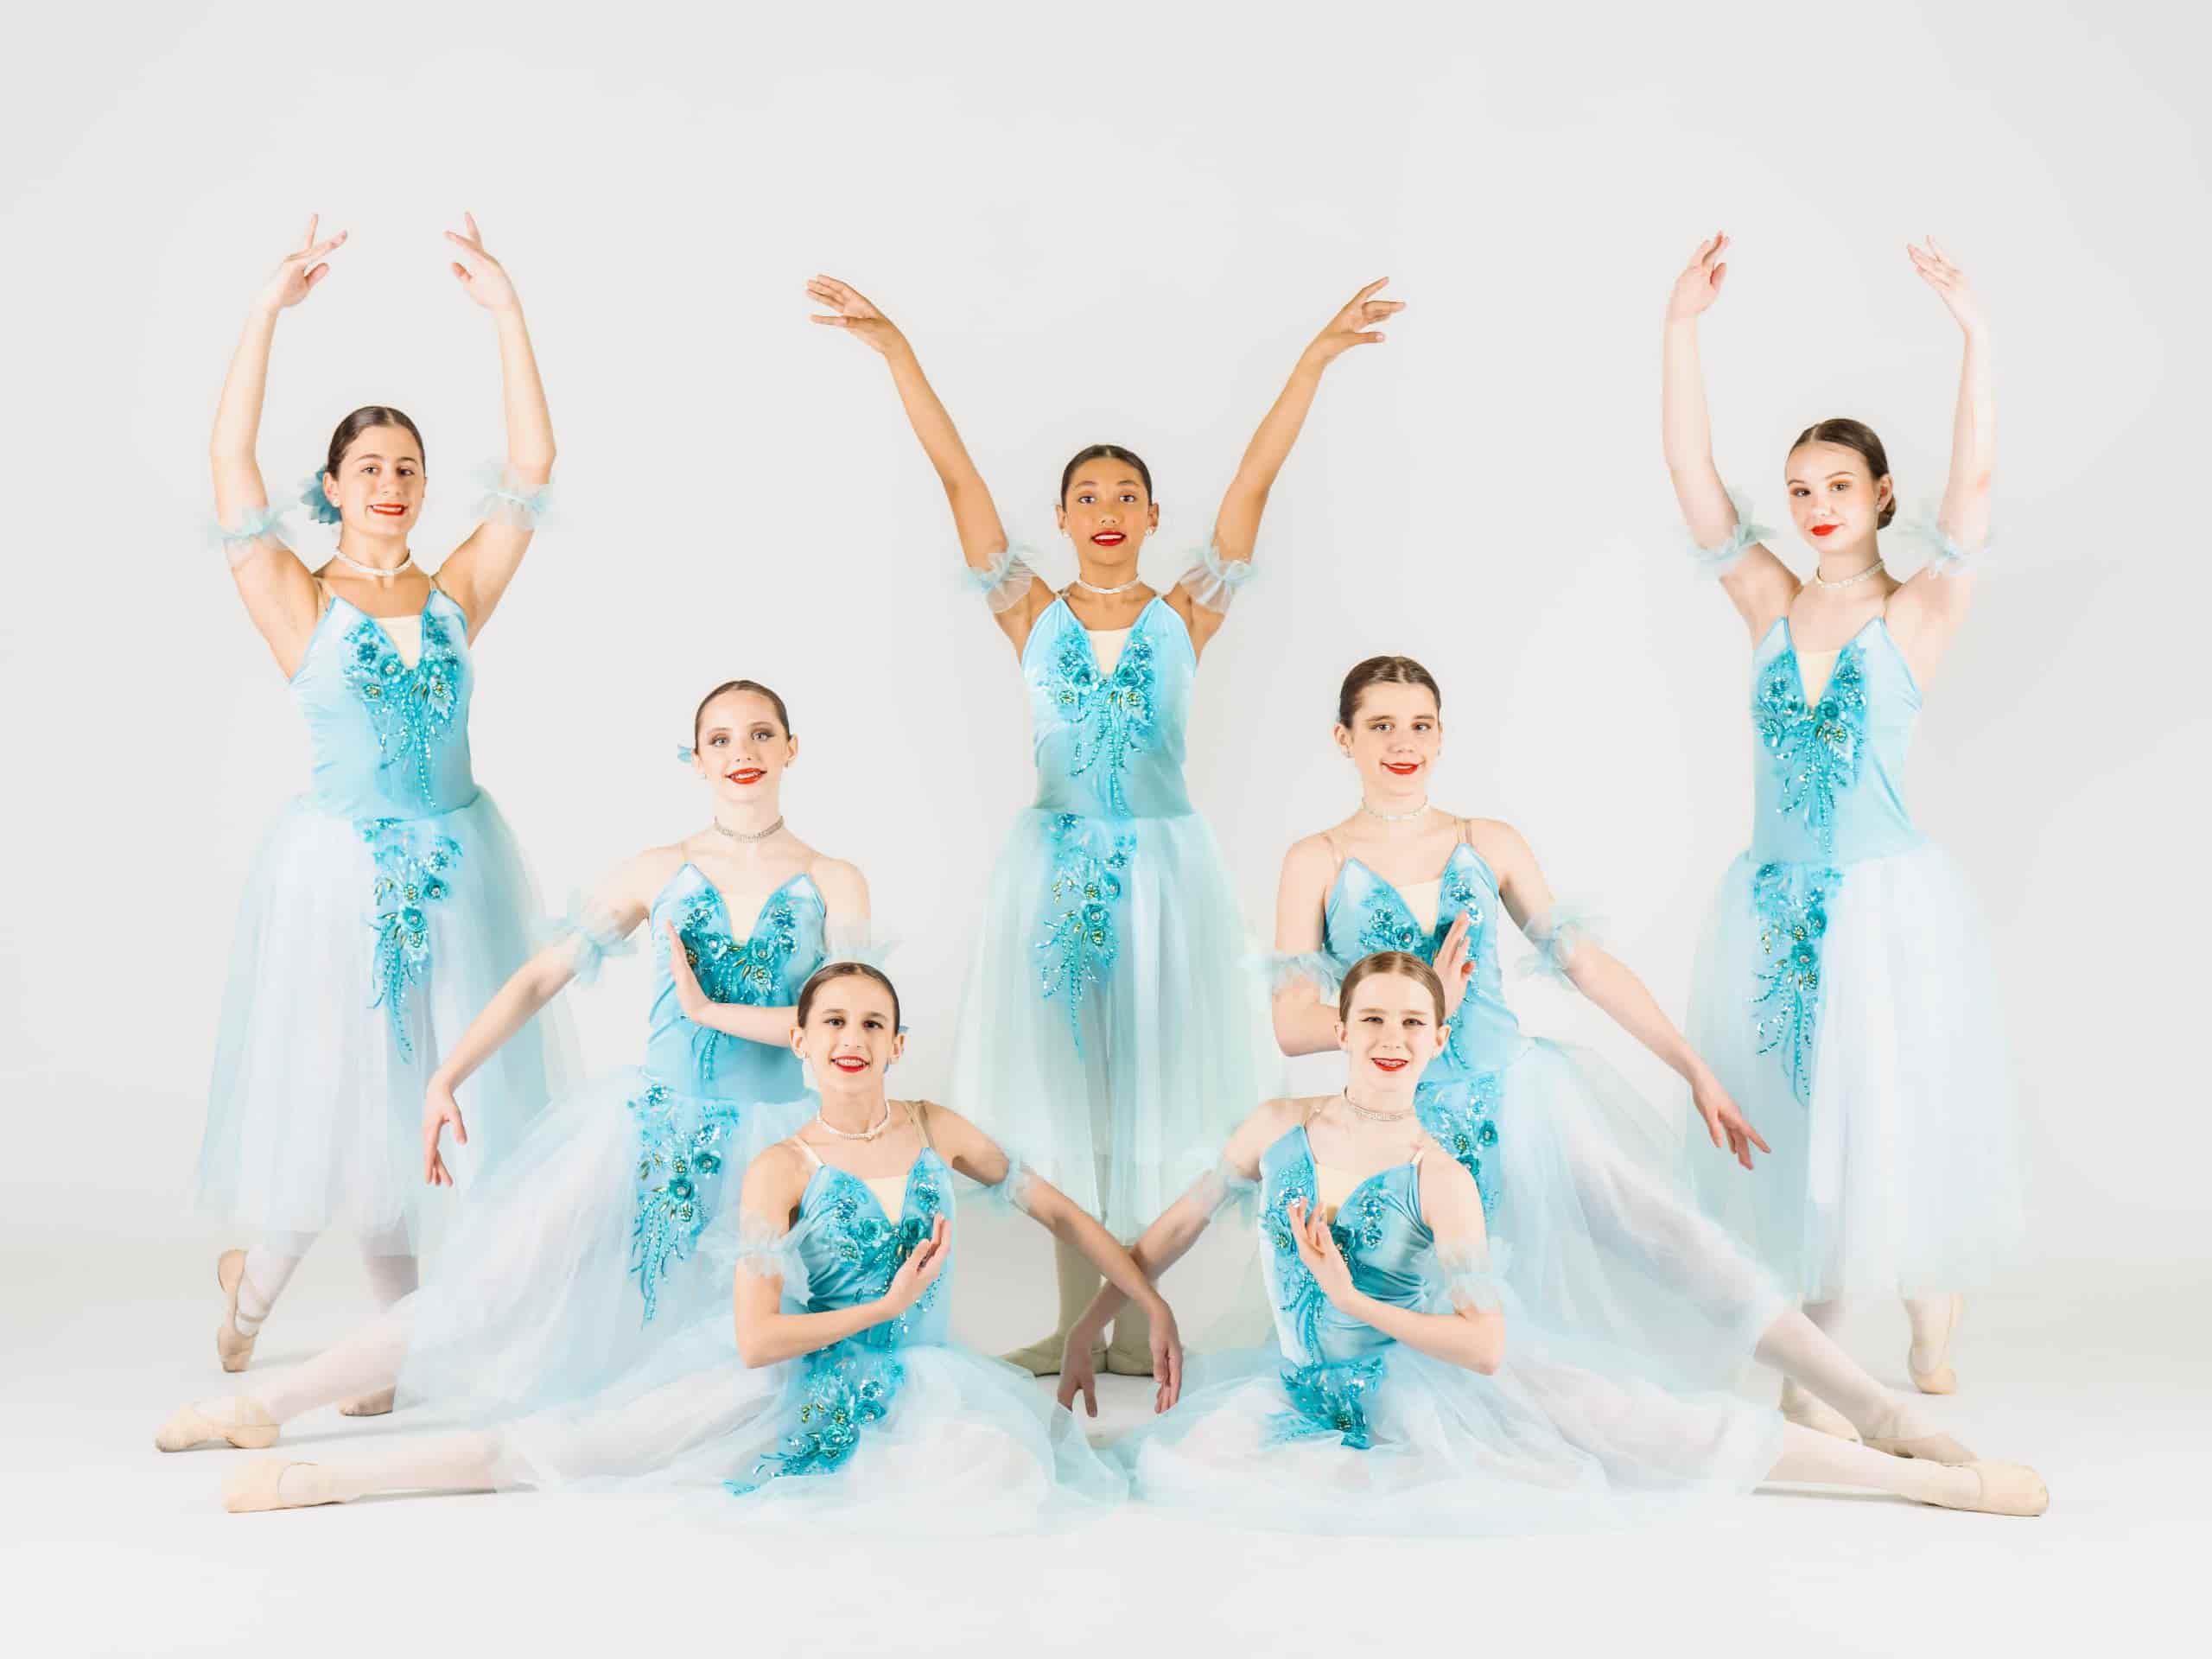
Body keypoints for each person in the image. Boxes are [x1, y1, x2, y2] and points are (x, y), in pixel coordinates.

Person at [805, 273, 1403, 1373]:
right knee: (1066, 1089)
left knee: (1153, 1087)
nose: (1109, 509)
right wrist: (897, 349)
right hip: (1054, 872)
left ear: (1153, 517)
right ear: (1066, 518)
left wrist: (1311, 360)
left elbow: (1254, 486)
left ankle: (1129, 1320)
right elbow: (957, 480)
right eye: (1089, 495)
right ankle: (1082, 1313)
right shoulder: (1028, 612)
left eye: (1128, 494)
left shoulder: (1189, 614)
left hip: (1167, 876)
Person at [1075, 954, 2046, 1528]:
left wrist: (1357, 1301)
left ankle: (1927, 1482)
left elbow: (1488, 1346)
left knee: (1665, 1431)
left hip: (1440, 1391)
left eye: (1412, 1022)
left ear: (1438, 1041)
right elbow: (1175, 1226)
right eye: (1370, 1016)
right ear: (1337, 1024)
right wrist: (1111, 1312)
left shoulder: (1439, 1172)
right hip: (1298, 1402)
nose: (1388, 1035)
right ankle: (1911, 1462)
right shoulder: (1271, 1127)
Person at [157, 682, 863, 1449]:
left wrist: (711, 1013)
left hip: (788, 1151)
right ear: (695, 760)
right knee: (490, 1284)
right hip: (651, 1129)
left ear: (792, 749)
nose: (743, 753)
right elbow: (537, 978)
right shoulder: (655, 870)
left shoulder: (836, 880)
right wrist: (445, 1076)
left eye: (762, 735)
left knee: (755, 1369)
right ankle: (270, 1407)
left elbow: (848, 1031)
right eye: (720, 739)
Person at [215, 965, 1176, 1529]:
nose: (852, 1037)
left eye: (871, 1024)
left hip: (919, 1382)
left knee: (1002, 1470)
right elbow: (756, 1341)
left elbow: (1061, 1212)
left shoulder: (936, 1128)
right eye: (832, 1022)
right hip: (785, 1378)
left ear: (895, 1044)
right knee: (567, 1453)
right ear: (799, 1042)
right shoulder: (783, 1168)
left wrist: (1144, 1302)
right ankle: (324, 1479)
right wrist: (881, 1308)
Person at [196, 213, 565, 1381]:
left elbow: (534, 470)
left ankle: (390, 1345)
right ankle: (249, 1305)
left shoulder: (457, 590)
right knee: (338, 1110)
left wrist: (506, 310)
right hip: (342, 876)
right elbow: (226, 468)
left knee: (432, 1112)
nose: (394, 484)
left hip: (459, 869)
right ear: (333, 486)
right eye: (371, 468)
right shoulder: (296, 598)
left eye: (408, 467)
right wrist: (263, 313)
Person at [1661, 232, 2021, 1394]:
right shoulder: (1766, 598)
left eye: (1839, 488)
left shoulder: (1920, 612)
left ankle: (1930, 1308)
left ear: (1880, 498)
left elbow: (1972, 499)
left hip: (1878, 898)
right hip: (1773, 901)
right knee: (1796, 1117)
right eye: (1801, 490)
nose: (1816, 506)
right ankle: (1817, 1343)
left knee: (1891, 1115)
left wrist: (1976, 337)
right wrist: (1681, 331)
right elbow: (1691, 477)